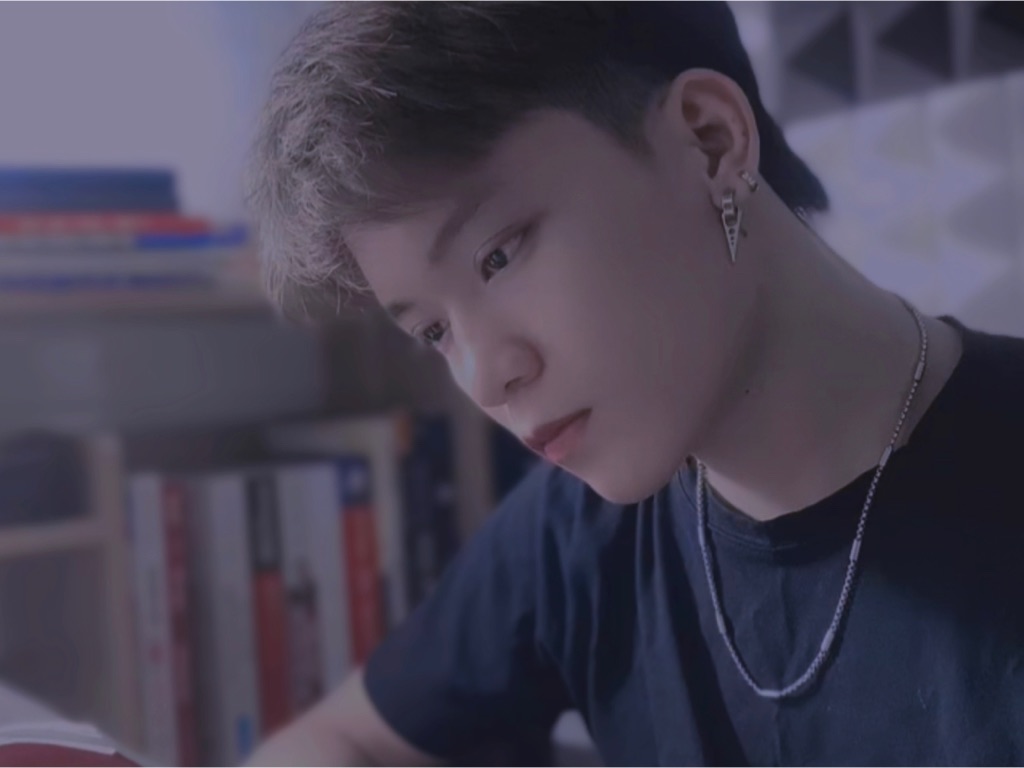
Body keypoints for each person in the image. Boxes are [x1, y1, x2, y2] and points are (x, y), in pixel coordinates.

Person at [243, 2, 1024, 765]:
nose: (484, 378)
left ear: (709, 141)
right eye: (433, 331)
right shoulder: (572, 535)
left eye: (499, 256)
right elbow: (337, 739)